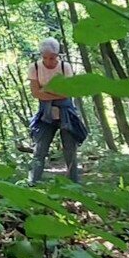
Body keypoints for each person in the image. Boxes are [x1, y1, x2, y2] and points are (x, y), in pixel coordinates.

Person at [27, 39, 81, 182]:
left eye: (52, 58)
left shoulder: (65, 67)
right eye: (45, 57)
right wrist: (56, 92)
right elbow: (35, 93)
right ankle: (33, 182)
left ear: (57, 55)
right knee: (40, 148)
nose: (48, 61)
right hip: (45, 112)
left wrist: (45, 90)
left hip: (66, 111)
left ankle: (74, 183)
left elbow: (68, 92)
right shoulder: (34, 68)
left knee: (70, 149)